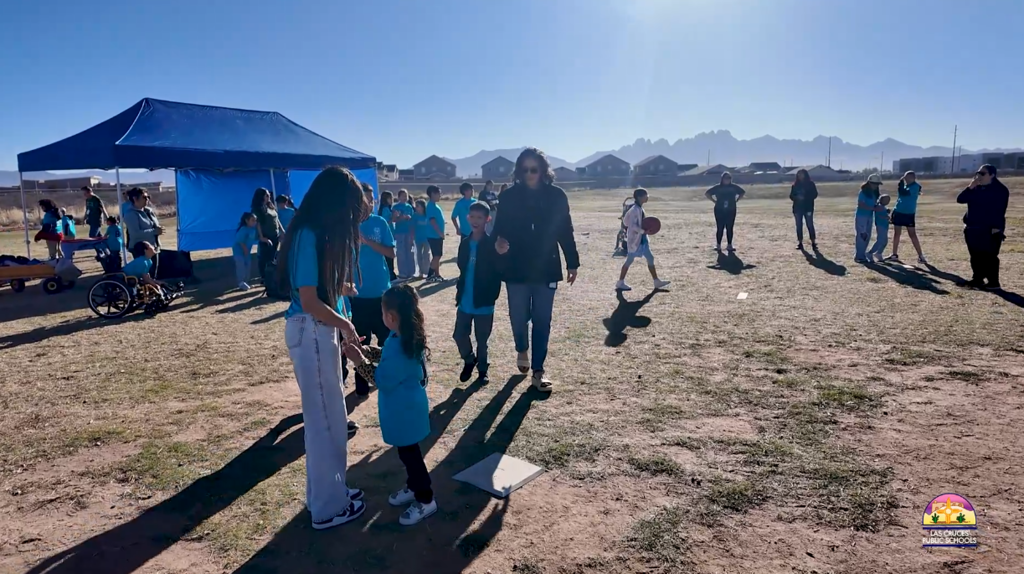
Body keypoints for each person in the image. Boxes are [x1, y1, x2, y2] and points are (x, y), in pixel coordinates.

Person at [276, 167, 366, 530]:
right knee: (325, 423)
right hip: (312, 331)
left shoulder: (310, 232)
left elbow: (315, 292)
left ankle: (329, 494)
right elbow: (309, 300)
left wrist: (339, 291)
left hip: (316, 331)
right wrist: (345, 325)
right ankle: (328, 509)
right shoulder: (308, 234)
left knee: (329, 420)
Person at [343, 285, 435, 526]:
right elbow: (385, 355)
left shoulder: (400, 344)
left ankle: (425, 499)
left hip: (404, 411)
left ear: (390, 317)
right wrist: (367, 351)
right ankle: (414, 487)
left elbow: (381, 379)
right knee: (408, 453)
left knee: (411, 456)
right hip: (407, 408)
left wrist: (359, 360)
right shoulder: (403, 335)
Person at [493, 147, 580, 392]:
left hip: (546, 267)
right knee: (518, 317)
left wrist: (572, 261)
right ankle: (522, 348)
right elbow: (499, 229)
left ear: (543, 170)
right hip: (516, 268)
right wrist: (498, 243)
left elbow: (566, 230)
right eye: (525, 169)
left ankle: (538, 371)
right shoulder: (509, 197)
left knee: (542, 320)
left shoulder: (557, 196)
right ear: (519, 171)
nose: (530, 174)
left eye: (534, 169)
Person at [352, 191, 396, 396]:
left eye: (371, 199)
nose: (368, 203)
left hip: (380, 292)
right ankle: (361, 383)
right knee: (360, 340)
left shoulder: (380, 223)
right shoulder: (347, 225)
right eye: (364, 199)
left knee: (387, 339)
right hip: (356, 294)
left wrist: (368, 242)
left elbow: (391, 252)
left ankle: (388, 376)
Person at [454, 202, 502, 385]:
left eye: (479, 217)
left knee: (482, 340)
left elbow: (500, 270)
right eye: (472, 217)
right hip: (465, 300)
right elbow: (462, 268)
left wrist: (502, 254)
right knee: (459, 335)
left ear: (487, 219)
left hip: (484, 301)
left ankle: (483, 370)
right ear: (467, 218)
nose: (475, 221)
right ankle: (469, 359)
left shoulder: (492, 244)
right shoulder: (465, 243)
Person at [957, 164, 1010, 290]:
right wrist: (970, 187)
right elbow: (960, 199)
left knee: (989, 256)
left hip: (990, 229)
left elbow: (1000, 210)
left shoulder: (1000, 190)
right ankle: (978, 279)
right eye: (978, 173)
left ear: (992, 175)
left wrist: (997, 227)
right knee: (975, 255)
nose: (979, 176)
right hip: (972, 227)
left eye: (982, 173)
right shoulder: (976, 188)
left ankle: (993, 282)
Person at [616, 188, 670, 292]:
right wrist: (643, 231)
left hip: (642, 239)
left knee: (650, 258)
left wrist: (644, 232)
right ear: (640, 197)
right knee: (629, 260)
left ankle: (656, 281)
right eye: (646, 195)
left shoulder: (639, 208)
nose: (648, 197)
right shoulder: (634, 210)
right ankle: (620, 282)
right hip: (636, 240)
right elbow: (631, 225)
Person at [887, 171, 927, 264]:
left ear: (913, 178)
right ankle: (894, 254)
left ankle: (921, 256)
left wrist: (900, 185)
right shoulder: (905, 186)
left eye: (907, 178)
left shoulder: (915, 186)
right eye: (904, 178)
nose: (905, 179)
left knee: (912, 235)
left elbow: (904, 193)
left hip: (908, 214)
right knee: (897, 234)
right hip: (899, 212)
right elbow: (900, 197)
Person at [705, 172, 746, 252]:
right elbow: (707, 193)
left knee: (729, 227)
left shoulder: (734, 187)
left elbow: (742, 192)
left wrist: (737, 199)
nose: (728, 180)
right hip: (719, 209)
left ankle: (729, 245)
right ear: (722, 179)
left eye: (729, 178)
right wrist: (714, 201)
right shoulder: (718, 187)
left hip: (731, 209)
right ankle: (718, 245)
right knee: (720, 227)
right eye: (726, 178)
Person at [252, 187, 284, 279]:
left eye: (268, 194)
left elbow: (276, 219)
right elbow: (258, 224)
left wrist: (282, 231)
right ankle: (264, 277)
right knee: (265, 258)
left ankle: (271, 276)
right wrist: (262, 237)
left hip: (275, 235)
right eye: (266, 195)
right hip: (266, 236)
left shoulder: (270, 206)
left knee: (273, 257)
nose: (269, 196)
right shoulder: (257, 209)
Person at [123, 187, 163, 258]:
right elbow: (135, 233)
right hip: (140, 250)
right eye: (144, 197)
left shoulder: (149, 211)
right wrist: (154, 231)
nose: (147, 199)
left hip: (154, 247)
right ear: (135, 199)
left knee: (156, 269)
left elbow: (154, 226)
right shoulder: (130, 214)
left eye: (148, 197)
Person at [855, 174, 884, 263]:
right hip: (861, 216)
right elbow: (861, 204)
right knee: (862, 236)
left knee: (867, 236)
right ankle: (859, 256)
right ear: (869, 183)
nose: (876, 186)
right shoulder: (863, 192)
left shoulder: (874, 193)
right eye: (874, 184)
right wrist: (873, 208)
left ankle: (862, 255)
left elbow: (874, 204)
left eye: (877, 184)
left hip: (870, 216)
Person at [790, 169, 819, 251]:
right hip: (797, 208)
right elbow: (791, 196)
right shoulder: (795, 185)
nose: (800, 176)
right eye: (799, 174)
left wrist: (806, 197)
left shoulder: (810, 184)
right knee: (799, 226)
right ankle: (800, 243)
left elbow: (815, 194)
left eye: (802, 174)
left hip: (808, 207)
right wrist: (796, 197)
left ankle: (813, 242)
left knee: (810, 225)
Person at [423, 186, 446, 283]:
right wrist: (440, 233)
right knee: (437, 255)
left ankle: (437, 275)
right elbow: (432, 221)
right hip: (434, 236)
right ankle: (429, 275)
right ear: (433, 194)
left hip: (436, 236)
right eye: (439, 193)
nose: (440, 195)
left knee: (436, 256)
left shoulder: (435, 205)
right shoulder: (431, 206)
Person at [392, 189, 416, 280]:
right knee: (401, 252)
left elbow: (412, 219)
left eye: (406, 195)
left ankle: (411, 272)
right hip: (400, 232)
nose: (404, 197)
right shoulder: (395, 207)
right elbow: (394, 220)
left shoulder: (409, 207)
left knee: (410, 252)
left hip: (408, 232)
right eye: (402, 195)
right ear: (399, 197)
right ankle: (403, 272)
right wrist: (400, 217)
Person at [233, 213, 258, 291]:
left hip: (247, 252)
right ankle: (241, 282)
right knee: (241, 266)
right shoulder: (243, 229)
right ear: (247, 221)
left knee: (248, 266)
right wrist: (245, 249)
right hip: (239, 252)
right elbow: (241, 241)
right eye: (252, 220)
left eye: (255, 220)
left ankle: (246, 281)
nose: (254, 222)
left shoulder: (253, 230)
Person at [378, 191, 398, 281]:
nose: (392, 200)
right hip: (386, 236)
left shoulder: (388, 209)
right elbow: (385, 222)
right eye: (390, 198)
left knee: (389, 257)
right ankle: (390, 274)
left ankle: (391, 274)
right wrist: (393, 217)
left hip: (390, 235)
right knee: (389, 256)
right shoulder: (385, 209)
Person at [868, 194, 891, 262]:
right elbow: (880, 216)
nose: (888, 202)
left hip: (884, 225)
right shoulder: (879, 207)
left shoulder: (882, 207)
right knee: (880, 240)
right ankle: (870, 253)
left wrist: (886, 212)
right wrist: (886, 217)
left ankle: (878, 253)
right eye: (886, 200)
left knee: (885, 241)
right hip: (880, 226)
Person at [413, 199, 432, 279]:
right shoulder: (415, 216)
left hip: (427, 238)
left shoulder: (427, 215)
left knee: (426, 254)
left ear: (423, 207)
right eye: (415, 206)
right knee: (419, 255)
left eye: (418, 206)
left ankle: (427, 271)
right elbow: (412, 227)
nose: (416, 207)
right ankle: (420, 272)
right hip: (418, 238)